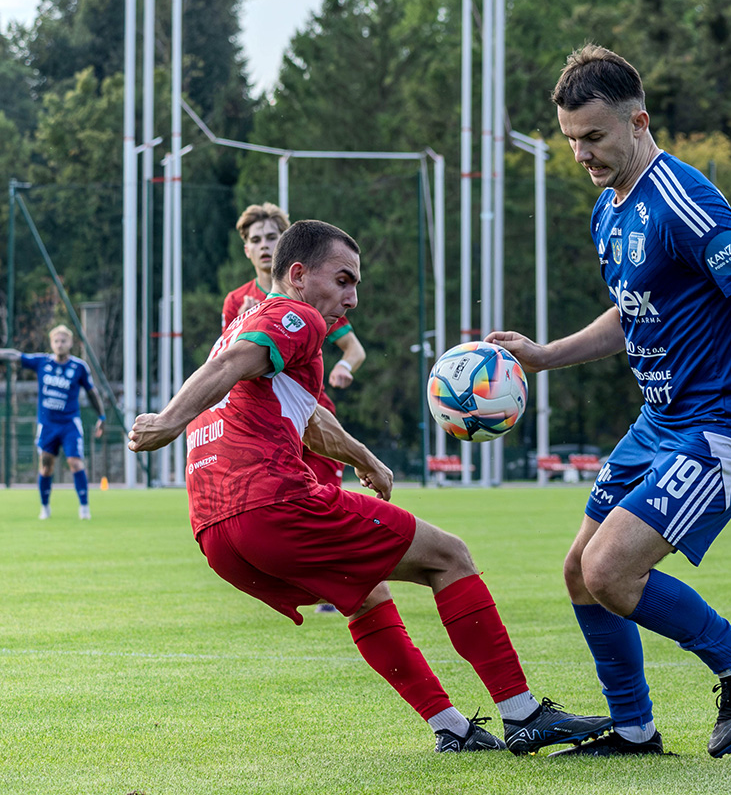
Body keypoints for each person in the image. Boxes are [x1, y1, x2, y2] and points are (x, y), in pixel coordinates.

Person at [486, 45, 731, 759]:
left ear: (638, 122)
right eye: (571, 139)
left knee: (611, 571)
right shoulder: (609, 210)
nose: (581, 153)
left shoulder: (682, 200)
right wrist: (546, 355)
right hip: (662, 423)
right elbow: (634, 313)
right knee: (580, 573)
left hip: (726, 425)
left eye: (594, 136)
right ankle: (634, 731)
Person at [128, 219, 611, 754]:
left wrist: (365, 458)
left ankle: (451, 728)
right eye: (343, 280)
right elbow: (228, 365)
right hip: (272, 505)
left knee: (365, 592)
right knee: (450, 556)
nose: (352, 298)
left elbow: (307, 418)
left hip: (216, 534)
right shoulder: (295, 315)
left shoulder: (251, 322)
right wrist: (169, 420)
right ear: (298, 275)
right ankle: (523, 714)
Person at [223, 203, 366, 495]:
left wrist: (344, 366)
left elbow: (354, 349)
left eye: (272, 237)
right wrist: (246, 323)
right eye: (256, 240)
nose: (265, 245)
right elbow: (228, 365)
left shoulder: (314, 294)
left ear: (285, 245)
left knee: (324, 506)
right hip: (267, 420)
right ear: (247, 250)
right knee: (276, 505)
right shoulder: (237, 301)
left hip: (314, 413)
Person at [1, 325, 106, 520]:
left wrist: (101, 416)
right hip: (47, 425)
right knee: (46, 465)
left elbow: (92, 392)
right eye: (56, 341)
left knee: (75, 462)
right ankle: (45, 507)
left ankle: (84, 508)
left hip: (69, 424)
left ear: (70, 343)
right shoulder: (42, 362)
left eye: (63, 341)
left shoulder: (79, 367)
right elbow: (16, 356)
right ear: (51, 343)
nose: (60, 344)